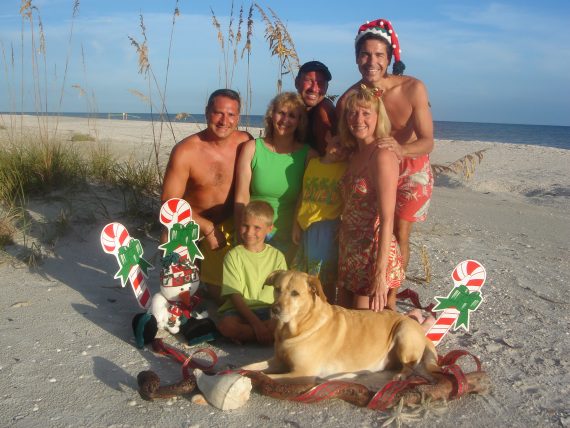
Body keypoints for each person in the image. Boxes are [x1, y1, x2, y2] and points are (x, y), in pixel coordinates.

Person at [337, 18, 434, 275]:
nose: (372, 62)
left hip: (411, 165)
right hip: (373, 167)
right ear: (357, 58)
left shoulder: (412, 88)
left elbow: (427, 141)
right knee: (372, 228)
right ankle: (369, 282)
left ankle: (390, 293)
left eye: (379, 55)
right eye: (365, 54)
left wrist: (402, 150)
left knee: (398, 231)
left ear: (389, 58)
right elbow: (345, 139)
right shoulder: (350, 98)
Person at [161, 89, 252, 303]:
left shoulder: (245, 143)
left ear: (238, 117)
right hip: (192, 225)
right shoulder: (186, 151)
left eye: (231, 115)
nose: (224, 121)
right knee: (177, 293)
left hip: (228, 224)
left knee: (220, 297)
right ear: (207, 113)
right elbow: (169, 203)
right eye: (218, 113)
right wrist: (206, 227)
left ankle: (206, 276)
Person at [337, 85, 405, 312]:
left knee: (367, 325)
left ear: (378, 117)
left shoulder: (382, 155)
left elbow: (387, 220)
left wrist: (380, 275)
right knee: (345, 321)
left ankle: (420, 323)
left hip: (374, 253)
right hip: (351, 251)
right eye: (353, 113)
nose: (359, 119)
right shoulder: (354, 154)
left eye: (366, 113)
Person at [234, 92, 317, 261]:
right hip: (254, 233)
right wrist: (240, 232)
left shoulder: (309, 155)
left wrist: (297, 226)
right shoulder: (252, 148)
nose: (285, 120)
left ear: (300, 121)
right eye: (281, 113)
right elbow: (241, 195)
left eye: (292, 115)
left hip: (290, 235)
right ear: (272, 115)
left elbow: (305, 197)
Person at [217, 201, 287, 344]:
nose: (249, 232)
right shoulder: (233, 256)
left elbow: (283, 291)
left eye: (257, 228)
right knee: (227, 326)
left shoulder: (277, 256)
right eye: (245, 226)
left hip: (269, 309)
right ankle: (265, 335)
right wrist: (257, 325)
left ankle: (252, 335)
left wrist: (265, 324)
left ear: (269, 229)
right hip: (241, 311)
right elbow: (235, 296)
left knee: (283, 323)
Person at [291, 136, 348, 303]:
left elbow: (347, 200)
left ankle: (325, 307)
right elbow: (303, 194)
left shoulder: (344, 168)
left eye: (346, 148)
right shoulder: (313, 163)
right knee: (304, 273)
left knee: (323, 277)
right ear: (328, 138)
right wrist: (295, 223)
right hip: (306, 227)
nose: (340, 150)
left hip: (326, 227)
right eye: (338, 143)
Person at [295, 61, 337, 156]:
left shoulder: (324, 111)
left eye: (320, 83)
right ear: (297, 83)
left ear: (326, 88)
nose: (314, 88)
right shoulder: (288, 111)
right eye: (309, 81)